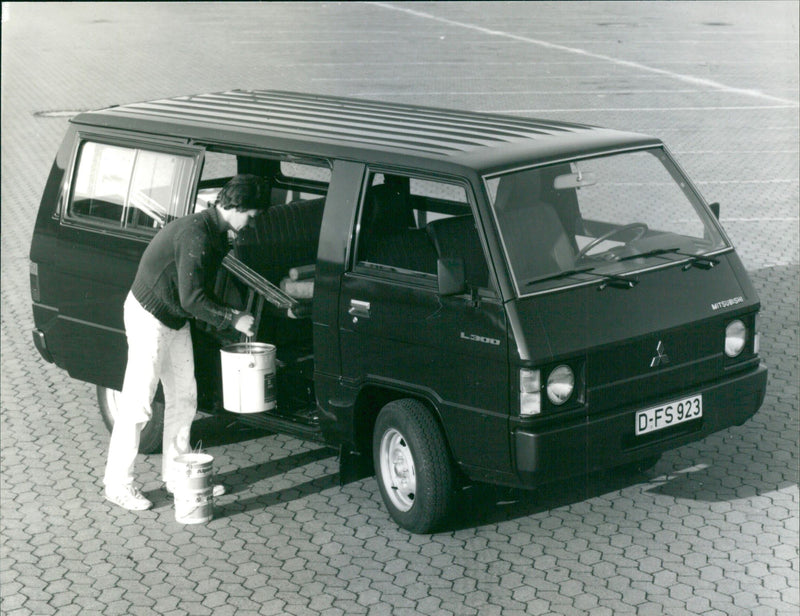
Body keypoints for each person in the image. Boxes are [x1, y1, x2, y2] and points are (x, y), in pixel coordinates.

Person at [103, 174, 270, 511]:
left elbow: (194, 296)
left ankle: (177, 476)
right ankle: (117, 484)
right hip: (149, 316)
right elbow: (193, 299)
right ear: (235, 207)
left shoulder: (216, 231)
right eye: (251, 216)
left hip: (172, 316)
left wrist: (227, 314)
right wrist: (232, 318)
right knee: (138, 402)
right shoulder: (197, 234)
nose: (251, 223)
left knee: (184, 397)